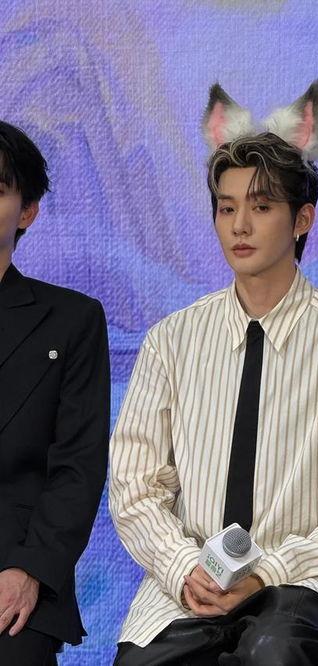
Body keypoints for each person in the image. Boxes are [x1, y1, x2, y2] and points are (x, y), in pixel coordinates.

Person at [110, 81, 318, 666]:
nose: (240, 225)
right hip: (190, 583)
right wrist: (181, 566)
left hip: (310, 580)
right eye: (227, 208)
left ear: (302, 219)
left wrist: (267, 570)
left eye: (262, 207)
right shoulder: (170, 340)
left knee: (274, 652)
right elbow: (134, 485)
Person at [0, 121, 110, 665]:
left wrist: (31, 570)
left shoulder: (71, 321)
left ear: (27, 212)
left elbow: (78, 466)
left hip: (15, 571)